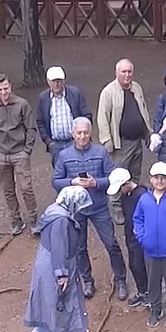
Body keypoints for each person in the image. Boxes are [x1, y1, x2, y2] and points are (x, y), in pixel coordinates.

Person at [51, 117, 129, 300]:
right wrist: (72, 181)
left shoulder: (101, 152)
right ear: (73, 134)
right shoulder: (64, 156)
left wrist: (96, 183)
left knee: (111, 243)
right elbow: (55, 181)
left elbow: (112, 177)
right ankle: (87, 280)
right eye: (79, 133)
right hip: (76, 210)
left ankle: (121, 280)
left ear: (90, 133)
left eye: (86, 132)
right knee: (79, 247)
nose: (83, 136)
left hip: (99, 206)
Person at [22, 186, 90, 332]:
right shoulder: (61, 220)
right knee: (60, 302)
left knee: (47, 298)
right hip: (57, 265)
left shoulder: (53, 210)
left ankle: (43, 331)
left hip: (46, 262)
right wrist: (62, 274)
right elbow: (60, 247)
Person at [0, 74, 38, 236]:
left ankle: (34, 219)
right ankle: (16, 220)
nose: (3, 92)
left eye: (6, 88)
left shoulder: (22, 104)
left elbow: (31, 128)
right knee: (8, 190)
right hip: (1, 155)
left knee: (26, 188)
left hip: (19, 153)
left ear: (10, 86)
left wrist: (27, 150)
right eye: (0, 90)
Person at [133, 162, 166, 328]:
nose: (160, 181)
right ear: (150, 179)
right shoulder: (144, 199)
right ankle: (155, 309)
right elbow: (137, 219)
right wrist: (142, 238)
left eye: (163, 178)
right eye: (156, 178)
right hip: (150, 251)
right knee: (153, 282)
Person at [97, 58, 152, 179]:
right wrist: (107, 142)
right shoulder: (108, 92)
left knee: (135, 176)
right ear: (116, 73)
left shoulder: (137, 88)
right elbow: (103, 119)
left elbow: (144, 111)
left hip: (137, 142)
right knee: (120, 177)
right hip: (121, 145)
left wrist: (148, 133)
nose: (127, 75)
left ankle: (133, 198)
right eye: (123, 72)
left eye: (129, 72)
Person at [107, 167, 149, 308]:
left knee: (141, 265)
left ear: (126, 183)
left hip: (141, 239)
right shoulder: (126, 196)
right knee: (134, 265)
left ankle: (149, 294)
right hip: (130, 237)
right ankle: (142, 292)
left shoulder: (142, 195)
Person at [36, 66, 90, 156]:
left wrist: (80, 136)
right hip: (56, 145)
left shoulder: (75, 94)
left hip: (74, 142)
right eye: (53, 81)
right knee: (59, 169)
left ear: (64, 81)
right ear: (48, 82)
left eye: (59, 81)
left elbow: (86, 115)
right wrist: (49, 142)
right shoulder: (43, 98)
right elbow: (40, 121)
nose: (56, 84)